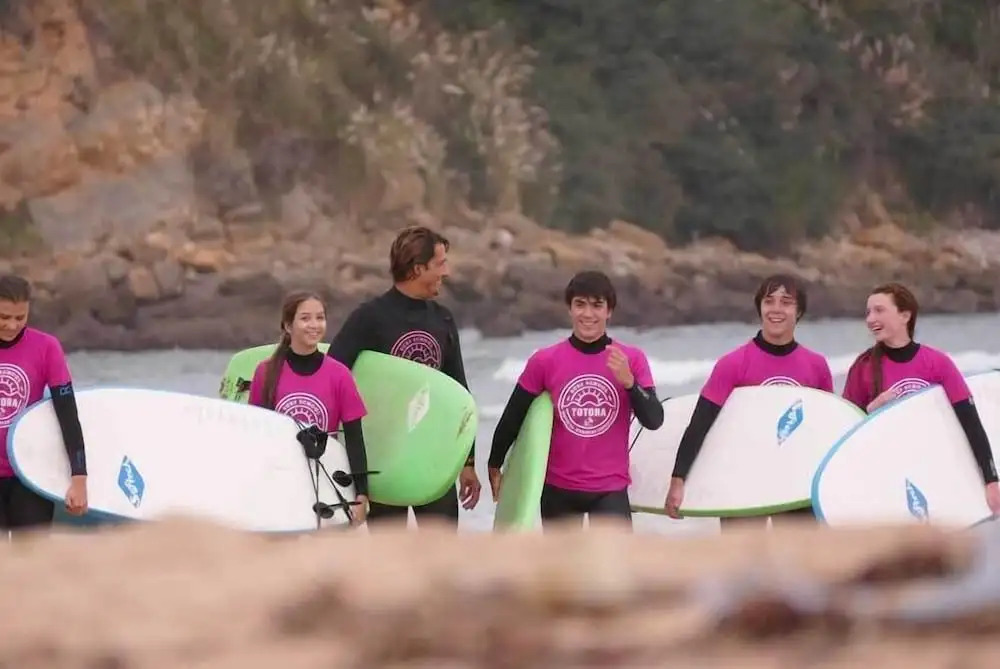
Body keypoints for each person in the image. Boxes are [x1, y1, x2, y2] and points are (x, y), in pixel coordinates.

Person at [327, 226, 482, 528]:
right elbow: (333, 377)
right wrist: (345, 456)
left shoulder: (442, 318)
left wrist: (467, 462)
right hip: (386, 459)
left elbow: (459, 392)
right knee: (390, 555)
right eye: (440, 263)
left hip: (434, 458)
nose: (447, 272)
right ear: (418, 268)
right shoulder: (369, 318)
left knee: (440, 552)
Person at [487, 270, 665, 529]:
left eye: (597, 305)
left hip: (610, 489)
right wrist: (494, 463)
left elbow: (654, 419)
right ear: (569, 309)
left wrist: (630, 383)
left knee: (613, 558)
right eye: (580, 304)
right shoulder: (545, 361)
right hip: (558, 488)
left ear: (609, 311)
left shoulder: (631, 359)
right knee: (563, 558)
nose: (588, 314)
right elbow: (514, 416)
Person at [663, 274, 834, 529]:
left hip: (797, 481)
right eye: (769, 301)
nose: (776, 309)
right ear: (760, 308)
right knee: (742, 555)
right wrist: (678, 480)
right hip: (742, 481)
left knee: (799, 555)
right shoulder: (733, 363)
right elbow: (700, 424)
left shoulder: (816, 365)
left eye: (786, 302)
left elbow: (827, 429)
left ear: (798, 312)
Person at [842, 282, 1000, 514]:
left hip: (936, 472)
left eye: (879, 310)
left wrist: (991, 480)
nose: (870, 319)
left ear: (905, 315)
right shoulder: (863, 367)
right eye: (867, 312)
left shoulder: (936, 362)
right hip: (886, 479)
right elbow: (846, 433)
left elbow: (970, 422)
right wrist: (871, 410)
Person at [249, 291, 372, 526]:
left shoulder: (339, 374)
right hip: (280, 480)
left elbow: (354, 438)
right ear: (288, 326)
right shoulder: (265, 372)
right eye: (305, 318)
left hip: (326, 479)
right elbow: (256, 436)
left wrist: (361, 493)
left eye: (320, 318)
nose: (314, 325)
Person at [0, 274, 88, 532]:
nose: (12, 325)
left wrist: (79, 478)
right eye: (3, 317)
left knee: (32, 554)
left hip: (29, 473)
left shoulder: (46, 347)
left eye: (20, 317)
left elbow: (67, 413)